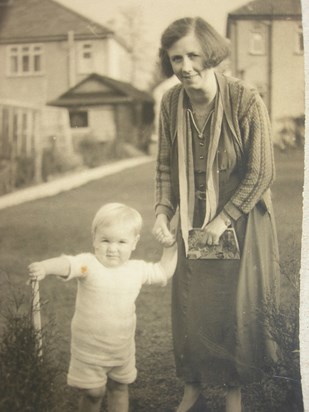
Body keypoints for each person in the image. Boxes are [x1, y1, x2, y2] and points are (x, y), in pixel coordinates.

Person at [152, 17, 280, 412]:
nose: (186, 66)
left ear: (211, 54)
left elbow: (261, 173)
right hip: (193, 219)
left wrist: (222, 220)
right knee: (191, 301)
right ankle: (192, 386)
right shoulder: (171, 102)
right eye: (177, 58)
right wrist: (162, 212)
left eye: (193, 55)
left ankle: (233, 393)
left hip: (241, 217)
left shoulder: (245, 99)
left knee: (233, 307)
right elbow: (164, 167)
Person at [28, 202, 177, 412]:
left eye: (121, 242)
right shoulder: (89, 265)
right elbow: (68, 264)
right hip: (89, 350)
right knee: (92, 393)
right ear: (94, 239)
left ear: (134, 243)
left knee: (119, 388)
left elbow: (163, 271)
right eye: (105, 240)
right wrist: (45, 267)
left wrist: (170, 247)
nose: (112, 248)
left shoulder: (137, 270)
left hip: (121, 349)